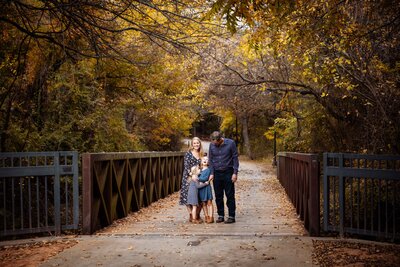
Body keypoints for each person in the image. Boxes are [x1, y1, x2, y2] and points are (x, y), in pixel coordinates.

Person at [208, 131, 239, 224]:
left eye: (216, 142)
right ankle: (220, 215)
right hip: (217, 173)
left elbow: (235, 158)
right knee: (218, 195)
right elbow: (211, 159)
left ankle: (231, 216)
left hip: (228, 172)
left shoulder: (231, 143)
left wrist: (235, 173)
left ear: (220, 139)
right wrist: (212, 173)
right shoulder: (212, 145)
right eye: (213, 142)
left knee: (229, 195)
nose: (214, 144)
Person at [179, 137, 204, 222]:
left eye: (198, 143)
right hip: (188, 177)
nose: (196, 144)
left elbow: (205, 166)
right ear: (192, 145)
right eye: (194, 143)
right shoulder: (188, 154)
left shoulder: (202, 154)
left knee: (200, 196)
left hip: (200, 178)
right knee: (187, 196)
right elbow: (186, 167)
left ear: (200, 144)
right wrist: (192, 175)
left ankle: (197, 214)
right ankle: (191, 214)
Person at [198, 156, 214, 223]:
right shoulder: (199, 170)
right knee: (203, 203)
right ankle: (206, 216)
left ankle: (211, 217)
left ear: (208, 162)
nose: (205, 160)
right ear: (201, 161)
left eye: (207, 159)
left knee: (209, 202)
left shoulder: (208, 170)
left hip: (207, 188)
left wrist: (198, 178)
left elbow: (205, 179)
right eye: (203, 159)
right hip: (201, 188)